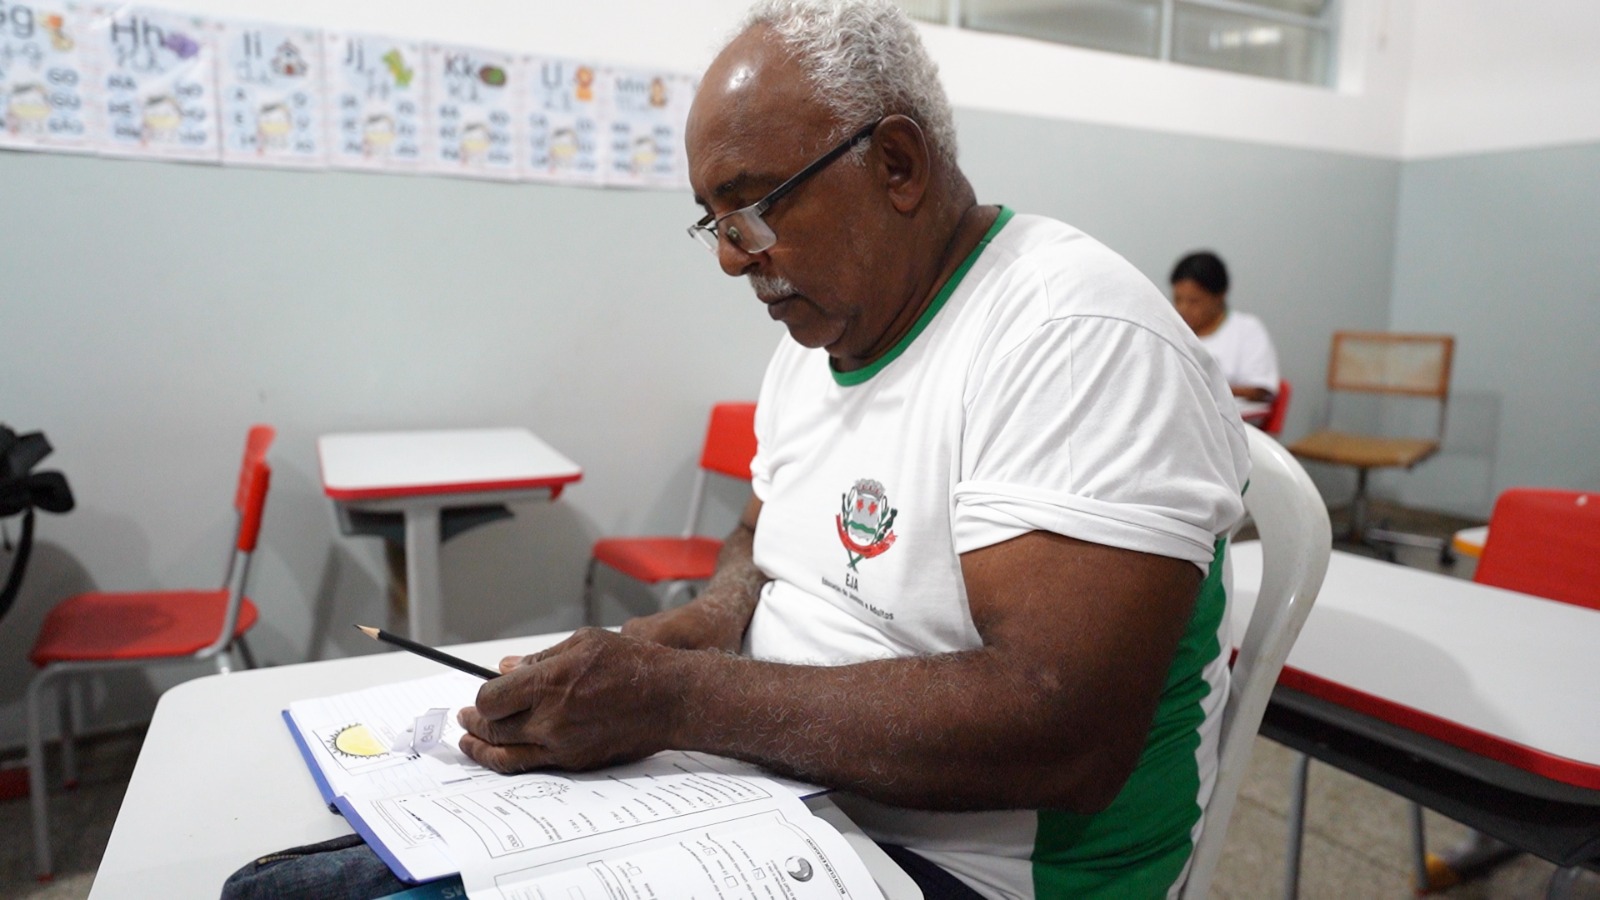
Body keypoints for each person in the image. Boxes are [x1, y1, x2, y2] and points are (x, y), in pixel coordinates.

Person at [457, 1, 1250, 896]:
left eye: (751, 209)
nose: (731, 259)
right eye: (715, 223)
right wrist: (711, 618)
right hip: (786, 797)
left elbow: (1060, 732)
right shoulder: (819, 339)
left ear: (897, 164)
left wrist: (678, 697)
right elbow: (757, 536)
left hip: (978, 870)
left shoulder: (1073, 337)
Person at [1169, 251, 1281, 409]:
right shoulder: (1172, 331)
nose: (1183, 309)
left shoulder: (1247, 330)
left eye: (1194, 301)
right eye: (1177, 299)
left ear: (1219, 296)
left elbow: (1260, 390)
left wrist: (1203, 389)